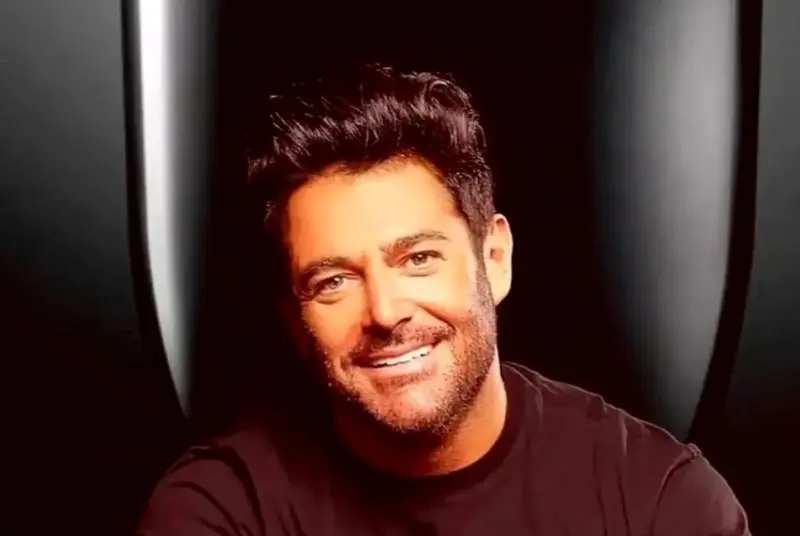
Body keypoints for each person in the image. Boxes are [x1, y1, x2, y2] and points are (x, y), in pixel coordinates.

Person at [137, 64, 749, 535]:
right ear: (293, 320)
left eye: (419, 259)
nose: (385, 312)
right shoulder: (223, 509)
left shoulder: (659, 500)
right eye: (334, 281)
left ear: (494, 259)